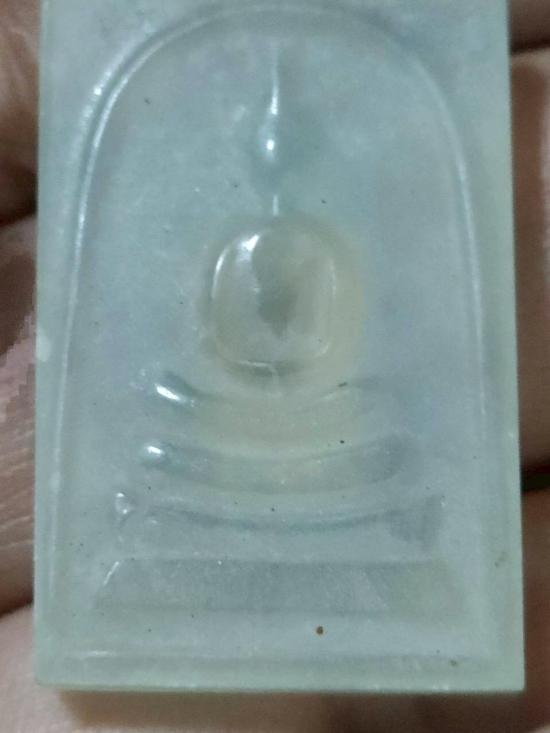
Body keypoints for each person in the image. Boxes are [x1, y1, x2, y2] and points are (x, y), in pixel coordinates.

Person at [0, 1, 549, 730]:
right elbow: (225, 348)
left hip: (331, 435)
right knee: (169, 440)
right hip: (220, 437)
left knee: (375, 439)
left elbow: (327, 357)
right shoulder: (235, 247)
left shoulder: (318, 247)